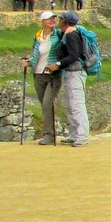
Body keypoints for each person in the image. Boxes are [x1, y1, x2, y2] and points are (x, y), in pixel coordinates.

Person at [48, 11, 89, 147]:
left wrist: (58, 64)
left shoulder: (71, 35)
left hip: (75, 73)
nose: (59, 21)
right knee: (71, 105)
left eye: (61, 19)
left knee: (77, 104)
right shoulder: (69, 33)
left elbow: (73, 55)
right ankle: (74, 134)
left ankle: (81, 135)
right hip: (71, 73)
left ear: (65, 22)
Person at [24, 10, 63, 145]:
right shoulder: (37, 36)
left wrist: (58, 64)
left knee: (47, 104)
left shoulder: (59, 34)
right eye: (48, 19)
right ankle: (49, 134)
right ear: (42, 22)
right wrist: (28, 62)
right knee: (44, 105)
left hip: (53, 75)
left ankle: (49, 135)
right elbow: (36, 55)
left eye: (53, 18)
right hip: (38, 74)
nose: (52, 20)